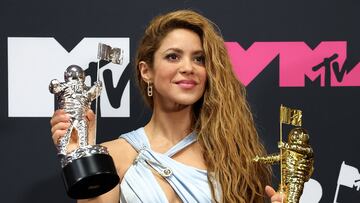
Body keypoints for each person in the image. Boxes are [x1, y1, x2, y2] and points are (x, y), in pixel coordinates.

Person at [50, 9, 284, 203]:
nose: (188, 67)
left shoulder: (230, 156)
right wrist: (80, 158)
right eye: (173, 56)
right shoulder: (115, 155)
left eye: (199, 58)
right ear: (146, 71)